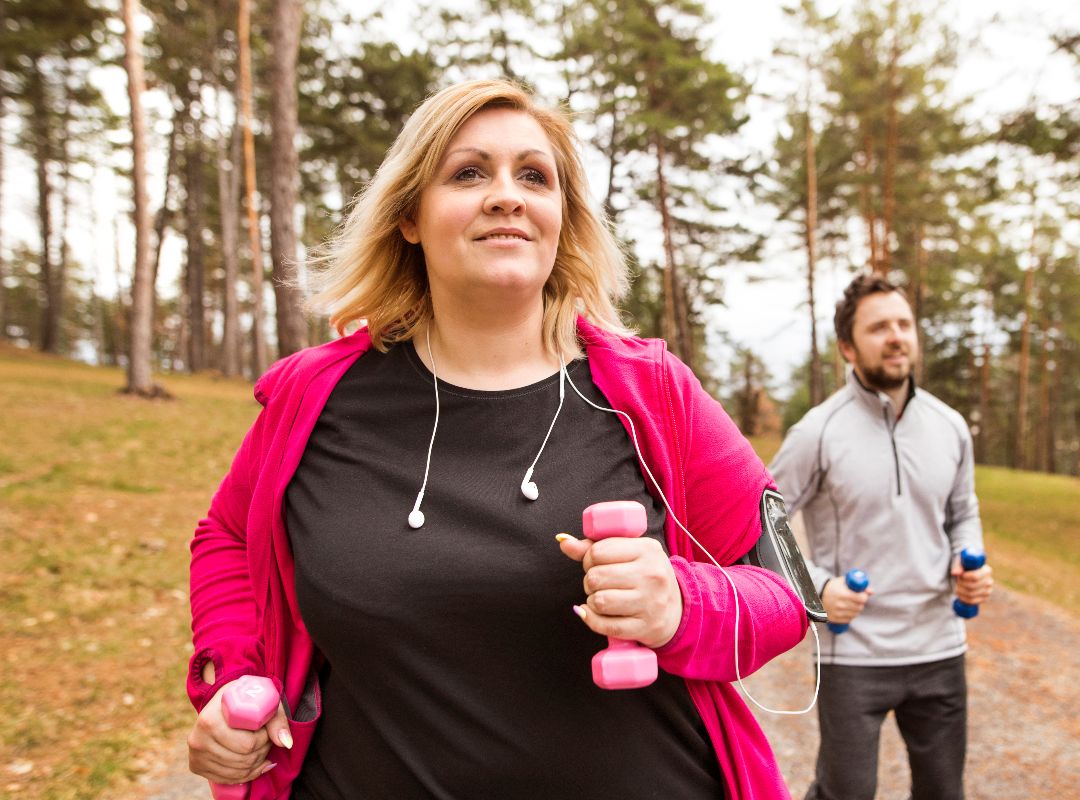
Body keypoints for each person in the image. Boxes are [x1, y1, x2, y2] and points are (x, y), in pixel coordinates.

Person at [186, 78, 810, 800]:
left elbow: (787, 594)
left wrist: (681, 606)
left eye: (534, 177)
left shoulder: (652, 391)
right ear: (410, 218)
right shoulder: (312, 398)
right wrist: (235, 680)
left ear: (561, 220)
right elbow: (227, 536)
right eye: (469, 172)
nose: (507, 195)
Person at [769, 272, 994, 800]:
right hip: (854, 656)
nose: (896, 336)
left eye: (903, 324)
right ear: (848, 346)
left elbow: (963, 511)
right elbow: (765, 524)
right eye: (878, 328)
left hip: (939, 646)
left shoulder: (951, 426)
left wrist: (968, 560)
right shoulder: (817, 432)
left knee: (944, 793)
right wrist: (817, 589)